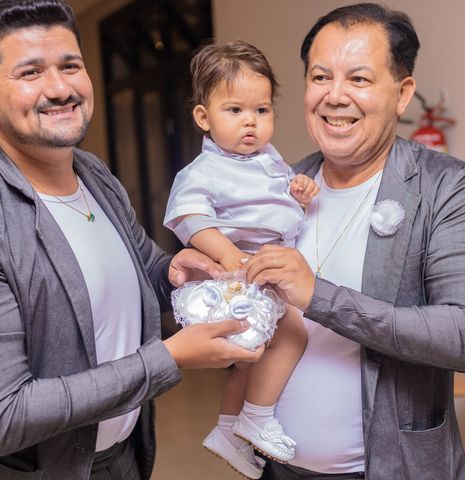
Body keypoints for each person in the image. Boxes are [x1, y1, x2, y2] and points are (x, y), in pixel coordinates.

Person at [0, 1, 265, 479]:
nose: (60, 88)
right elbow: (5, 416)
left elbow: (144, 268)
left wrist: (177, 271)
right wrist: (168, 359)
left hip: (123, 462)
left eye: (70, 66)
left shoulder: (91, 172)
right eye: (30, 73)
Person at [243, 3, 465, 479]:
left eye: (358, 80)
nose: (335, 96)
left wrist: (320, 297)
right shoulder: (276, 185)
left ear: (402, 94)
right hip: (279, 470)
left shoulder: (444, 187)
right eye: (320, 78)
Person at [164, 40, 319, 477]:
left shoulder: (267, 162)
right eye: (235, 111)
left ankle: (229, 430)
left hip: (260, 271)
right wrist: (230, 255)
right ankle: (257, 416)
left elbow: (280, 212)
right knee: (292, 336)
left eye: (262, 111)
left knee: (252, 355)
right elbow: (189, 216)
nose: (250, 122)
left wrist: (300, 195)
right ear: (203, 118)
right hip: (239, 275)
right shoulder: (205, 171)